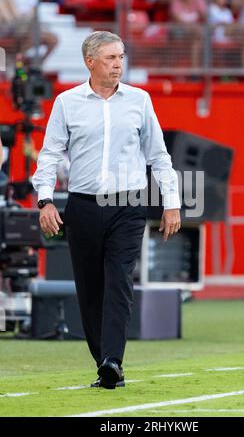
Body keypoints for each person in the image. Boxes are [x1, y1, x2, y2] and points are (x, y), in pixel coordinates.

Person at [32, 30, 181, 389]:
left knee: (119, 281)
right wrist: (45, 199)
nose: (119, 65)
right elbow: (50, 155)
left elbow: (159, 156)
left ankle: (114, 360)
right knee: (90, 288)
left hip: (127, 205)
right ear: (90, 62)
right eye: (111, 58)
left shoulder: (140, 101)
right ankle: (105, 361)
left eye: (121, 57)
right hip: (81, 206)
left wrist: (172, 203)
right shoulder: (67, 103)